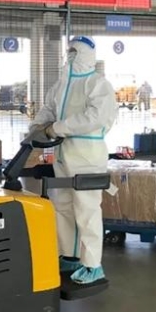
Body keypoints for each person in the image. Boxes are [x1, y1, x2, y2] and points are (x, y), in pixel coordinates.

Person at [31, 36, 118, 285]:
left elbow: (95, 117)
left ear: (86, 54)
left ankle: (92, 265)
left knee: (87, 210)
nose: (70, 54)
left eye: (75, 50)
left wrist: (56, 128)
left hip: (87, 156)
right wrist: (37, 126)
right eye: (69, 50)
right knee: (63, 206)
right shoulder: (61, 84)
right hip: (62, 154)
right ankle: (70, 256)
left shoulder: (98, 84)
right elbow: (49, 108)